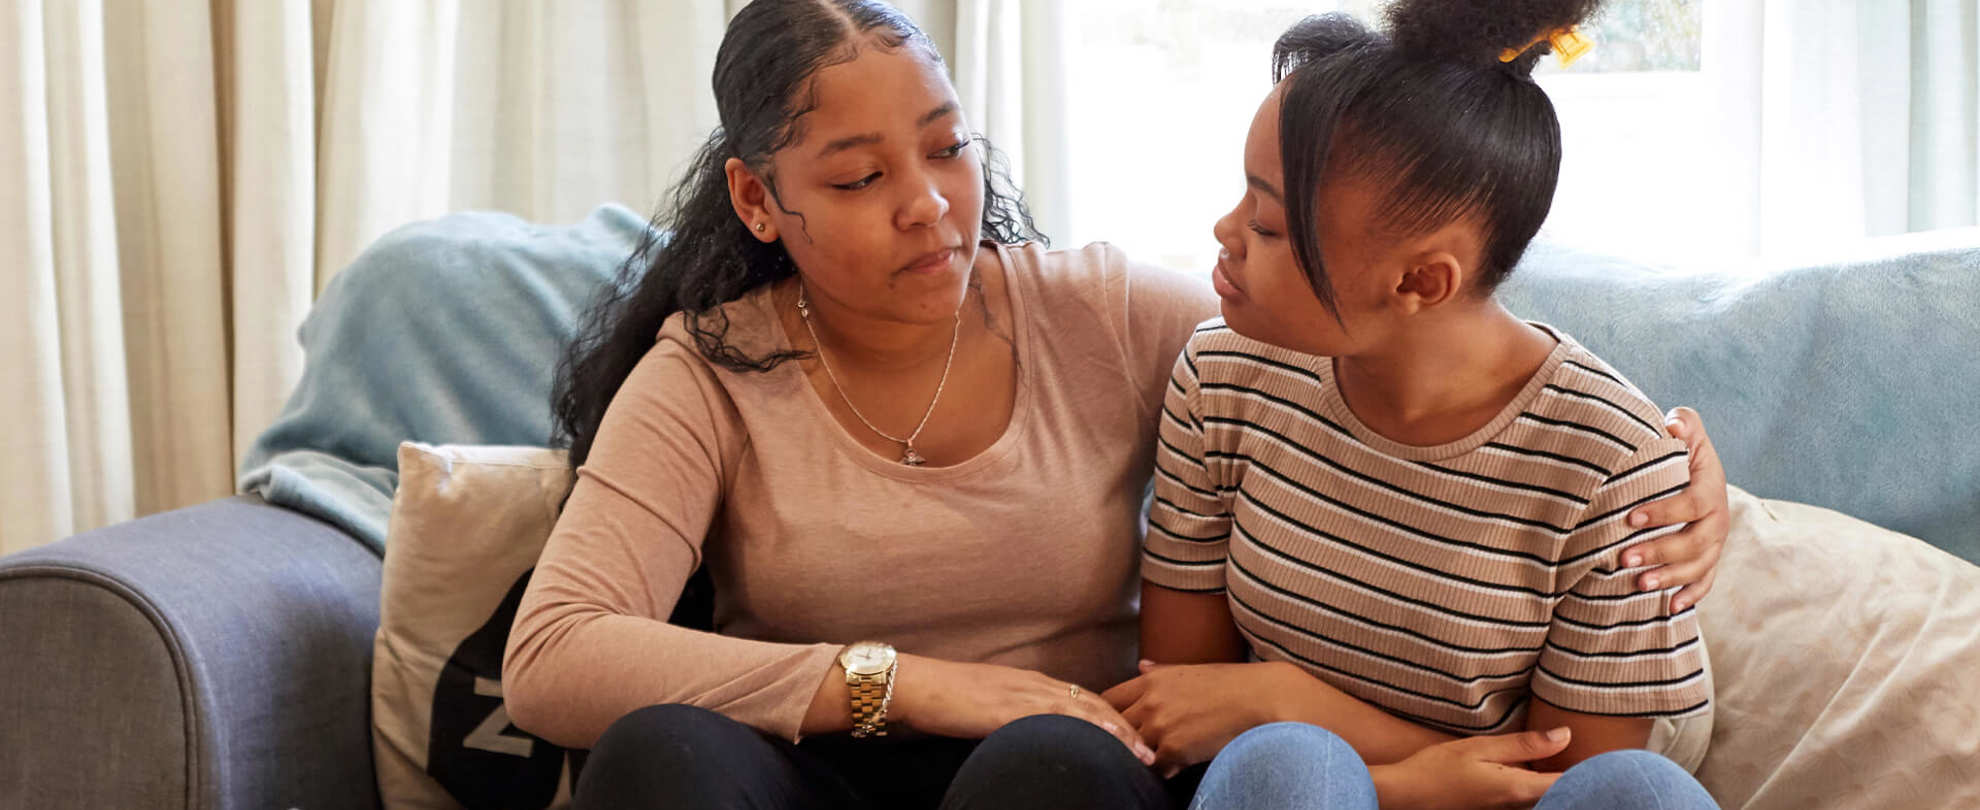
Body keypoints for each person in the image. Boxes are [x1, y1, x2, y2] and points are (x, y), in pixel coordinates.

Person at [501, 1, 1734, 807]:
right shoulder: (709, 370)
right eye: (864, 175)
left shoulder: (1111, 319)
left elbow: (1413, 330)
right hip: (808, 766)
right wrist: (905, 683)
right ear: (763, 203)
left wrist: (1684, 471)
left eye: (947, 147)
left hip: (1066, 775)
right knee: (660, 757)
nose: (930, 203)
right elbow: (555, 656)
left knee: (1050, 764)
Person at [1110, 3, 1722, 808]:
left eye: (1266, 222)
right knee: (1288, 764)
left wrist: (1292, 704)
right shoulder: (1226, 377)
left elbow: (1560, 783)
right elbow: (1184, 709)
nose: (1225, 231)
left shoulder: (1613, 468)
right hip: (1298, 786)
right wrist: (1382, 774)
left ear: (1419, 282)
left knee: (1639, 792)